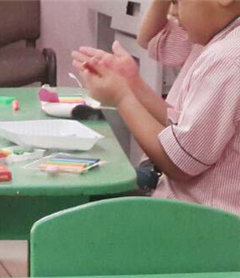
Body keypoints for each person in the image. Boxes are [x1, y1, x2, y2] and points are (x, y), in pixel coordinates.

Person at [73, 0, 240, 215]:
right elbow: (180, 128)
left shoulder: (226, 59)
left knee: (75, 203)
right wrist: (133, 83)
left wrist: (122, 98)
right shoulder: (225, 42)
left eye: (177, 1)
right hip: (192, 206)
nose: (172, 12)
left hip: (202, 219)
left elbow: (179, 164)